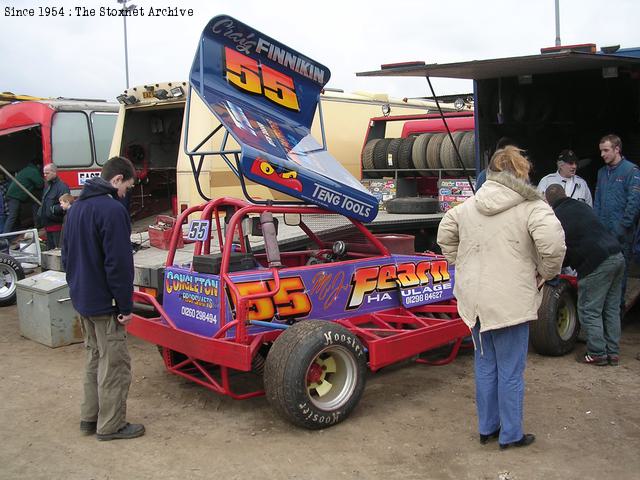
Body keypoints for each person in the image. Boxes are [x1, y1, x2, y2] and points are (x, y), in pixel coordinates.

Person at [437, 146, 565, 450]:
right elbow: (554, 245)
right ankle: (511, 435)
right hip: (510, 303)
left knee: (485, 365)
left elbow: (444, 234)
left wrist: (460, 262)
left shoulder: (468, 205)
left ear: (493, 171)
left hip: (475, 302)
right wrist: (545, 274)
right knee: (510, 371)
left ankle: (487, 428)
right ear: (522, 173)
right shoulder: (532, 206)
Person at [61, 156, 144, 441]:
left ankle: (89, 418)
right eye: (128, 187)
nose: (126, 194)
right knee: (114, 365)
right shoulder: (111, 210)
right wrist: (125, 305)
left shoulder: (76, 208)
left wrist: (77, 289)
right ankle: (111, 425)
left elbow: (66, 255)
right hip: (106, 304)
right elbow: (118, 264)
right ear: (117, 179)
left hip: (83, 299)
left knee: (93, 359)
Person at [545, 184, 624, 366]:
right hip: (617, 256)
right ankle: (613, 352)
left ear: (549, 202)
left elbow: (559, 251)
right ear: (564, 195)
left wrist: (551, 271)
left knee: (589, 310)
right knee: (611, 308)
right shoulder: (582, 206)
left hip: (596, 262)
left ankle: (597, 353)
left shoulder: (556, 218)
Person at [594, 134, 640, 312]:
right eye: (601, 151)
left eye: (606, 150)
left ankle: (617, 312)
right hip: (602, 233)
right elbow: (597, 201)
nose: (602, 154)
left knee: (619, 276)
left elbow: (634, 203)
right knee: (601, 274)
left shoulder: (631, 171)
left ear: (617, 149)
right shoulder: (601, 172)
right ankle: (604, 312)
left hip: (622, 235)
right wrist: (596, 227)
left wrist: (622, 228)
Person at [3, 160, 44, 236]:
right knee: (13, 216)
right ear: (38, 165)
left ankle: (34, 226)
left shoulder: (26, 169)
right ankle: (4, 237)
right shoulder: (33, 171)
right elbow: (40, 184)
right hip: (15, 196)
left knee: (33, 203)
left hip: (16, 195)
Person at [37, 164, 70, 250]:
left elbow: (66, 204)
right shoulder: (48, 186)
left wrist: (53, 210)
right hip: (48, 226)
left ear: (54, 172)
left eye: (47, 173)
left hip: (57, 227)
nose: (45, 175)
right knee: (50, 251)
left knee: (58, 250)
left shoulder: (62, 187)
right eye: (44, 173)